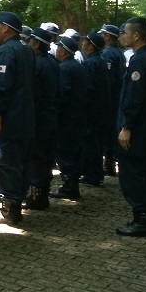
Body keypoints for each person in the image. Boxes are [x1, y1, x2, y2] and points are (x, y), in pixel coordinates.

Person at [115, 17, 146, 237]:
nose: (122, 36)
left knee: (134, 173)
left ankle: (142, 220)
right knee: (145, 172)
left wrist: (126, 126)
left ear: (136, 35)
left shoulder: (140, 61)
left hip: (139, 131)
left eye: (125, 32)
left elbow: (135, 98)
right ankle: (143, 218)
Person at [0, 11, 35, 225]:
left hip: (9, 118)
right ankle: (16, 201)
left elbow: (0, 86)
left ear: (6, 28)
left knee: (4, 160)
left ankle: (10, 205)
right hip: (25, 117)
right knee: (20, 160)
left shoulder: (5, 52)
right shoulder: (27, 50)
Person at [23, 26, 59, 210]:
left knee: (36, 158)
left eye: (29, 41)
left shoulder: (37, 64)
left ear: (36, 44)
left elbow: (35, 94)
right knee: (45, 158)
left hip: (39, 117)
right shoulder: (52, 61)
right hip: (51, 115)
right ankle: (42, 193)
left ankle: (37, 197)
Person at [50, 35, 87, 200]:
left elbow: (62, 94)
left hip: (66, 118)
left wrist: (56, 110)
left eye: (58, 48)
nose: (56, 50)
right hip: (77, 116)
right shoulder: (77, 66)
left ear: (63, 51)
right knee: (73, 151)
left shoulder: (65, 68)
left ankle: (69, 185)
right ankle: (72, 184)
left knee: (65, 152)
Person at [80, 31, 111, 186]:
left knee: (91, 143)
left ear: (91, 46)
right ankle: (96, 173)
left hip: (92, 110)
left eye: (85, 41)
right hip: (101, 109)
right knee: (97, 142)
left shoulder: (90, 63)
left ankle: (92, 175)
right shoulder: (100, 60)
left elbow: (88, 89)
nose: (82, 44)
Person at [99, 24, 125, 176]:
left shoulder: (109, 54)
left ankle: (109, 162)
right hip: (116, 96)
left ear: (107, 36)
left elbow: (108, 80)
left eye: (102, 35)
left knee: (109, 130)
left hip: (111, 98)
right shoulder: (119, 53)